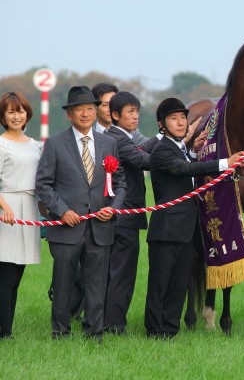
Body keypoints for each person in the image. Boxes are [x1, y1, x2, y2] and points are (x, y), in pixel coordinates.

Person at [144, 97, 242, 339]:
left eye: (182, 118)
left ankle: (170, 329)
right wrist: (224, 163)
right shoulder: (162, 151)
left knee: (179, 283)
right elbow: (185, 170)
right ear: (161, 125)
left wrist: (192, 151)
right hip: (166, 230)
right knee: (160, 283)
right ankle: (154, 330)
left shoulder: (181, 150)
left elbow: (188, 163)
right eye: (173, 119)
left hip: (187, 229)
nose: (180, 123)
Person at [36, 85, 126, 341]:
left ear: (96, 111)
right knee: (63, 283)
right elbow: (43, 185)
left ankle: (94, 333)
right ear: (69, 114)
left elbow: (120, 182)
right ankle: (60, 331)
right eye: (79, 109)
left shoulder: (109, 143)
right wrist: (62, 211)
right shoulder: (54, 143)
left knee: (96, 283)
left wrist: (114, 207)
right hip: (66, 229)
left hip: (100, 227)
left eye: (90, 108)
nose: (85, 113)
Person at [104, 91, 150, 335]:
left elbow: (141, 148)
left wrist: (165, 139)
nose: (135, 117)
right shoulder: (118, 139)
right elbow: (142, 159)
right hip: (124, 216)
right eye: (130, 112)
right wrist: (172, 154)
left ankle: (106, 321)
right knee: (122, 274)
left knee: (112, 272)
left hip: (117, 217)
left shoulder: (117, 137)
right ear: (114, 115)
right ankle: (114, 326)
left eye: (137, 112)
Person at [0, 91, 42, 339]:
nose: (17, 116)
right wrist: (4, 207)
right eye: (11, 111)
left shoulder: (34, 144)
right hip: (8, 212)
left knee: (17, 275)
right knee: (5, 275)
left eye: (21, 110)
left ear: (27, 113)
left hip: (30, 209)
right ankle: (4, 333)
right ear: (4, 116)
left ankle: (7, 328)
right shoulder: (1, 143)